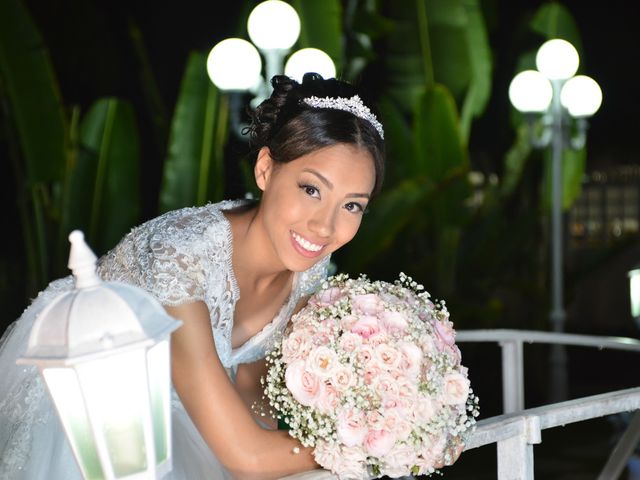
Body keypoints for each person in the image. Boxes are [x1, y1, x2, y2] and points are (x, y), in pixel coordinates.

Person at [0, 72, 385, 479]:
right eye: (311, 189)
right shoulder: (181, 257)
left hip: (200, 418)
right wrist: (372, 444)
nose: (324, 227)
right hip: (95, 413)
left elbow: (252, 388)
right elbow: (247, 456)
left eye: (352, 206)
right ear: (266, 169)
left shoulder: (308, 268)